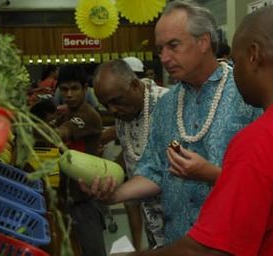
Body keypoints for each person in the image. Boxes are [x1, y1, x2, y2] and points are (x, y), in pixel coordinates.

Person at [123, 5, 273, 255]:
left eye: (235, 62)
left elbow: (208, 250)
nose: (232, 71)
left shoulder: (259, 140)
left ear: (253, 56)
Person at [82, 0, 260, 246]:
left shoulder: (247, 95)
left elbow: (268, 178)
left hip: (235, 242)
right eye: (160, 49)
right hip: (178, 241)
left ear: (203, 42)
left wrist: (213, 175)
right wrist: (114, 194)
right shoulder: (167, 105)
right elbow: (154, 170)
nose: (164, 58)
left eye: (173, 46)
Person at [93, 59, 169, 250]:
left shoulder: (168, 104)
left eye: (116, 101)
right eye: (105, 104)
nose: (112, 110)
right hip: (152, 220)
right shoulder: (124, 113)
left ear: (135, 85)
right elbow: (133, 157)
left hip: (181, 222)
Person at [53, 64, 106, 256]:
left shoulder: (88, 115)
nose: (69, 94)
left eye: (74, 88)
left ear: (85, 88)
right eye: (64, 89)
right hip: (69, 195)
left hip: (85, 198)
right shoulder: (66, 113)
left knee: (93, 251)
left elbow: (60, 133)